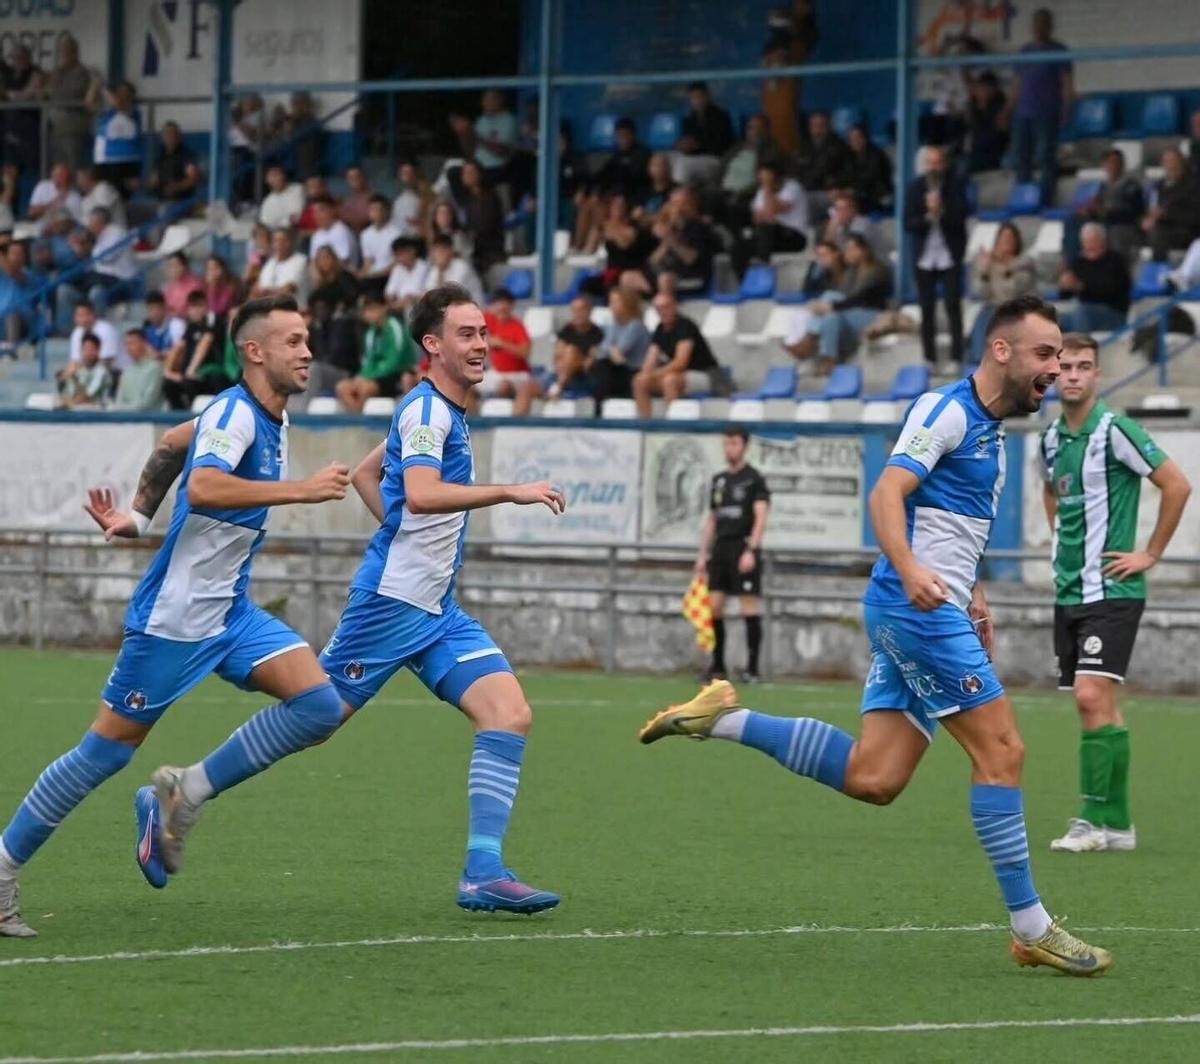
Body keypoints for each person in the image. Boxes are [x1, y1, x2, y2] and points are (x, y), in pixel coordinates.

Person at [641, 295, 1114, 977]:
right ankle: (1030, 927)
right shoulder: (946, 410)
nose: (1057, 368)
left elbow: (950, 527)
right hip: (914, 608)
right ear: (1001, 351)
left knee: (876, 777)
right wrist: (916, 570)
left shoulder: (991, 431)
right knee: (1003, 752)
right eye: (1045, 355)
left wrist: (973, 594)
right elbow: (887, 495)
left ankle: (724, 718)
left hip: (929, 606)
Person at [0, 296, 353, 938]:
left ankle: (185, 790)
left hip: (232, 616)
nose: (307, 352)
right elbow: (206, 486)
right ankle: (1, 868)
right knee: (102, 754)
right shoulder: (235, 413)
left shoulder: (261, 416)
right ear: (255, 352)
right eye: (294, 341)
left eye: (308, 339)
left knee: (320, 706)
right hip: (175, 622)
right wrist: (300, 490)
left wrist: (136, 515)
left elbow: (170, 445)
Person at [315, 284, 566, 913]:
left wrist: (402, 535)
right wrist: (510, 492)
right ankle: (185, 790)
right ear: (433, 345)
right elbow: (422, 494)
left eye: (484, 333)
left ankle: (483, 872)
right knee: (312, 719)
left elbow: (367, 475)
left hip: (434, 609)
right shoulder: (428, 414)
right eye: (467, 334)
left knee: (508, 712)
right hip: (391, 604)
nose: (482, 345)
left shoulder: (437, 411)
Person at [1038, 333, 1191, 853]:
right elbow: (1048, 489)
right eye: (1067, 367)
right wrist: (1058, 540)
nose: (1075, 375)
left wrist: (1149, 554)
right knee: (1101, 706)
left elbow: (1177, 484)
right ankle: (1119, 826)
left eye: (1084, 366)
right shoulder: (1051, 439)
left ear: (1097, 375)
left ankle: (1089, 820)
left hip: (1113, 588)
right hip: (1069, 590)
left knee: (1089, 696)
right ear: (1053, 374)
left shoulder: (1115, 430)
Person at [693, 428, 770, 683]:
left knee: (749, 607)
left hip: (743, 547)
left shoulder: (754, 479)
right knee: (714, 607)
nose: (729, 449)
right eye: (726, 444)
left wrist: (752, 550)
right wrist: (703, 553)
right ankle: (717, 667)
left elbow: (761, 518)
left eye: (734, 444)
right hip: (721, 549)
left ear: (745, 446)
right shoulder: (719, 480)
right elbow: (712, 519)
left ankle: (752, 668)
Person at [783, 234, 890, 371]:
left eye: (852, 249)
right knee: (831, 313)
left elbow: (860, 297)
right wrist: (829, 306)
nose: (848, 253)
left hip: (872, 314)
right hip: (852, 312)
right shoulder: (852, 272)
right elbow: (842, 295)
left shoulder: (876, 270)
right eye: (846, 250)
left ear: (863, 250)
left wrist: (831, 306)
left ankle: (809, 341)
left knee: (830, 303)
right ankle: (829, 358)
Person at [905, 145, 968, 367]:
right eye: (931, 162)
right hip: (925, 256)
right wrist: (927, 216)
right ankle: (929, 357)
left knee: (952, 304)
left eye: (938, 162)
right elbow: (908, 222)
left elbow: (961, 216)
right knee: (926, 307)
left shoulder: (954, 186)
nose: (934, 166)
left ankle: (956, 356)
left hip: (949, 253)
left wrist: (942, 211)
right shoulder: (915, 188)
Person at [1006, 8, 1073, 209]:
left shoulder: (1059, 50)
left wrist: (1067, 107)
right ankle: (1023, 198)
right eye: (1036, 23)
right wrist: (1007, 110)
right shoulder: (1025, 52)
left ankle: (1045, 199)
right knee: (1020, 157)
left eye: (1044, 23)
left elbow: (1067, 83)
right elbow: (1016, 85)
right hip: (1023, 113)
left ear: (1050, 26)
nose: (1039, 28)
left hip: (1047, 112)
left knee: (1045, 157)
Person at [633, 292, 726, 416]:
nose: (663, 311)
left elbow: (680, 363)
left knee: (670, 381)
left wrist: (654, 374)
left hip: (704, 373)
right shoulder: (659, 329)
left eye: (666, 307)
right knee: (639, 381)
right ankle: (645, 424)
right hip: (678, 374)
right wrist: (646, 374)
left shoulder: (686, 326)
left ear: (675, 306)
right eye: (659, 308)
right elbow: (651, 357)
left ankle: (673, 424)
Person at [335, 293, 418, 412]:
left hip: (396, 374)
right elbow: (369, 361)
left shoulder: (394, 327)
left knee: (365, 388)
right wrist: (362, 376)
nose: (368, 314)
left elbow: (393, 361)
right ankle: (355, 418)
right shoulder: (371, 333)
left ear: (384, 308)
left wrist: (368, 377)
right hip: (376, 376)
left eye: (372, 309)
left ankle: (359, 418)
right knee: (342, 387)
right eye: (366, 311)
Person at [969, 222, 1037, 362]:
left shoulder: (1024, 263)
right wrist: (986, 272)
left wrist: (1007, 267)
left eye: (1010, 238)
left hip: (1018, 309)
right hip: (993, 308)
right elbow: (982, 293)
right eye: (1003, 238)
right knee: (982, 319)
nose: (1006, 242)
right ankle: (977, 362)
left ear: (1016, 242)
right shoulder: (989, 263)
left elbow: (1015, 290)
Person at [1069, 148, 1145, 263]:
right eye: (1109, 163)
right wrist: (1089, 210)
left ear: (1122, 165)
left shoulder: (1131, 186)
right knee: (1074, 220)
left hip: (1123, 225)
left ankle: (1117, 269)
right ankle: (1073, 265)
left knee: (1115, 231)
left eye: (1115, 163)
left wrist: (1105, 212)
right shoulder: (1103, 187)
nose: (1112, 166)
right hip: (1104, 222)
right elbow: (1097, 208)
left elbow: (1133, 212)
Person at [1058, 223, 1130, 334]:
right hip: (1081, 313)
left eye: (1092, 240)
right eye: (1085, 241)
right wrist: (1065, 285)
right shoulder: (1079, 262)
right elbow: (1065, 295)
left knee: (1083, 311)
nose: (1088, 245)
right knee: (1051, 319)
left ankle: (1083, 349)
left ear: (1102, 240)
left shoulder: (1115, 260)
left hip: (1113, 313)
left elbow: (1112, 290)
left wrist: (1082, 286)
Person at [589, 285, 650, 414]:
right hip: (616, 368)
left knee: (602, 367)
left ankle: (598, 411)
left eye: (615, 302)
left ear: (626, 304)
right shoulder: (614, 325)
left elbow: (621, 350)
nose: (611, 306)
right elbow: (604, 351)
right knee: (599, 365)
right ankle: (597, 407)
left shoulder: (636, 326)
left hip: (632, 372)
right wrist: (609, 350)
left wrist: (607, 350)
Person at [740, 160, 809, 271]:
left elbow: (772, 211)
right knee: (740, 245)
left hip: (794, 236)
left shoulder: (792, 187)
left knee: (766, 227)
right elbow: (757, 218)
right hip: (770, 234)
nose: (762, 178)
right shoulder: (761, 191)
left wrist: (768, 187)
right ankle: (744, 280)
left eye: (765, 175)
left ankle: (763, 264)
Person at [162, 290, 226, 409]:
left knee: (191, 383)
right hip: (193, 373)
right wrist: (167, 370)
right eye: (192, 307)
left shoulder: (213, 319)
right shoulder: (191, 325)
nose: (196, 311)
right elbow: (178, 347)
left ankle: (196, 418)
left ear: (206, 306)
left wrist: (191, 370)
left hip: (212, 370)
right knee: (168, 385)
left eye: (199, 306)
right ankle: (178, 418)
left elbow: (205, 342)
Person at [44, 35, 97, 173]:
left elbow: (72, 94)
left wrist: (55, 87)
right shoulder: (58, 72)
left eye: (68, 51)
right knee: (58, 167)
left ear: (75, 52)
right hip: (57, 129)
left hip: (74, 129)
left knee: (72, 168)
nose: (65, 55)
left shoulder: (82, 72)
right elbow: (47, 92)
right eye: (63, 52)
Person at [1143, 148, 1200, 263]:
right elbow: (1151, 209)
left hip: (1187, 229)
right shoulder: (1159, 185)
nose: (1171, 166)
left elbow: (1196, 215)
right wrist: (1147, 219)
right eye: (1167, 162)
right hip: (1161, 227)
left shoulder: (1194, 184)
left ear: (1182, 163)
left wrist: (1165, 214)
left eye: (1174, 161)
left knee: (1158, 235)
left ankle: (1158, 270)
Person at [675, 81, 735, 187]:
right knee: (667, 159)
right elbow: (686, 140)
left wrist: (698, 146)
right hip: (694, 158)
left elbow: (723, 146)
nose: (697, 101)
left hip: (715, 159)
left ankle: (681, 197)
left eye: (700, 96)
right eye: (693, 98)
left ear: (707, 96)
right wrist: (683, 146)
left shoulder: (720, 117)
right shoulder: (689, 118)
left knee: (683, 166)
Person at [477, 287, 532, 401]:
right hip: (495, 373)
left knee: (504, 387)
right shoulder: (490, 319)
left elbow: (525, 352)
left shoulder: (517, 326)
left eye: (505, 303)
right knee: (466, 386)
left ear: (511, 306)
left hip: (517, 374)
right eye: (497, 303)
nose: (501, 307)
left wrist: (502, 344)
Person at [91, 80, 143, 196]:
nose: (121, 94)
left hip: (128, 159)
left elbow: (119, 103)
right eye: (119, 91)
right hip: (106, 159)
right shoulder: (107, 112)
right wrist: (95, 85)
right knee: (103, 193)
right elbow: (90, 102)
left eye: (124, 92)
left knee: (124, 194)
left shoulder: (133, 111)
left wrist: (105, 88)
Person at [460, 161, 505, 280]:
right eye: (464, 173)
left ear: (479, 174)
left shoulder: (490, 197)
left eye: (470, 172)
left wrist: (472, 234)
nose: (466, 176)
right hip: (474, 249)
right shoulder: (469, 199)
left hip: (490, 250)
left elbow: (487, 225)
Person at [357, 195, 402, 299]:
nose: (375, 213)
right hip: (372, 277)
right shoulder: (365, 234)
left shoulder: (396, 233)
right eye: (372, 209)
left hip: (388, 275)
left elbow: (397, 262)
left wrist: (378, 273)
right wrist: (361, 273)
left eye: (378, 209)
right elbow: (368, 261)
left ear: (386, 212)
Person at [966, 72, 1009, 175]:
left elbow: (998, 134)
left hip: (995, 154)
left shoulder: (1000, 108)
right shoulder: (973, 106)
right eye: (981, 88)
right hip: (976, 153)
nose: (982, 92)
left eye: (986, 88)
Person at [112, 328, 165, 411]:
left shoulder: (155, 368)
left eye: (132, 343)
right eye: (127, 344)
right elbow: (119, 400)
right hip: (126, 418)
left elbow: (147, 403)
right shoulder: (127, 371)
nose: (129, 348)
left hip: (150, 420)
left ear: (144, 344)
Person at [55, 333, 111, 409]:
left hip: (97, 414)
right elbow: (67, 396)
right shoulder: (80, 370)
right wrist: (64, 377)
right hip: (77, 412)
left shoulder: (102, 372)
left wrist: (74, 378)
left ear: (98, 350)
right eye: (85, 349)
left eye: (91, 349)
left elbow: (87, 398)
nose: (88, 353)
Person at [845, 124, 893, 213]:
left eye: (857, 138)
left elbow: (871, 176)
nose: (854, 141)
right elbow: (847, 174)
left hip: (876, 193)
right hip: (858, 193)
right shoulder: (849, 155)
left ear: (865, 138)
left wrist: (854, 189)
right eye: (851, 139)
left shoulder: (876, 154)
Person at [252, 228, 309, 303]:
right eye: (275, 241)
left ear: (289, 242)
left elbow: (289, 290)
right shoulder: (269, 263)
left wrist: (266, 293)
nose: (277, 244)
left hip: (294, 310)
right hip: (269, 309)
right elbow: (257, 291)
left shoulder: (301, 260)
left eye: (281, 240)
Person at [423, 234, 484, 304]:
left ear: (451, 251)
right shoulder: (435, 269)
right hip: (454, 309)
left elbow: (449, 297)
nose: (439, 254)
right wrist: (440, 271)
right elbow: (427, 294)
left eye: (442, 250)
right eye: (436, 251)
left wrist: (440, 271)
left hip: (474, 308)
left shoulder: (462, 267)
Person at [149, 121, 200, 204]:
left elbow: (193, 179)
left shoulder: (186, 156)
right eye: (166, 134)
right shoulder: (159, 158)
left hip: (182, 202)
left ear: (179, 136)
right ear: (162, 137)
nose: (170, 137)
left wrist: (177, 187)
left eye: (173, 134)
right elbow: (154, 181)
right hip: (162, 201)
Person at [28, 162, 82, 229]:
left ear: (68, 178)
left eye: (61, 175)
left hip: (64, 235)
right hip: (41, 231)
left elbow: (76, 222)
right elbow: (32, 213)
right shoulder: (42, 186)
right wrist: (53, 203)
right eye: (55, 174)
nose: (56, 178)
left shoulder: (75, 197)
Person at [308, 245, 360, 314]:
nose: (324, 261)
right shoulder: (322, 283)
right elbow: (313, 301)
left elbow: (353, 295)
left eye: (327, 257)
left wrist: (341, 305)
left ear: (334, 258)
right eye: (320, 259)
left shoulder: (343, 276)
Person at [309, 196, 359, 267]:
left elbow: (343, 262)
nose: (317, 215)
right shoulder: (316, 235)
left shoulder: (342, 231)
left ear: (332, 210)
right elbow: (313, 262)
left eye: (321, 210)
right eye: (315, 211)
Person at [384, 236, 430, 315]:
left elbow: (425, 292)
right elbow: (389, 293)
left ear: (412, 251)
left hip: (419, 306)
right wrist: (394, 303)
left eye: (400, 254)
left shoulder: (424, 267)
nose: (398, 258)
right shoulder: (397, 269)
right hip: (398, 306)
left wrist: (409, 300)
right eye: (396, 255)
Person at [392, 160, 434, 238]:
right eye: (404, 173)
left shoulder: (428, 193)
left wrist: (422, 221)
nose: (408, 176)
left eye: (410, 173)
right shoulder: (400, 199)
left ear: (416, 174)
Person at [258, 165, 304, 230]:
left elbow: (295, 218)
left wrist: (279, 224)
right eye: (272, 175)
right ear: (267, 180)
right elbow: (265, 224)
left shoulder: (298, 189)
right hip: (276, 235)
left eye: (278, 174)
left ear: (284, 175)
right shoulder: (267, 201)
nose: (276, 178)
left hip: (296, 231)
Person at [142, 290, 186, 356]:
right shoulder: (147, 330)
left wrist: (159, 355)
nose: (154, 313)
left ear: (164, 308)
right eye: (150, 309)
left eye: (156, 309)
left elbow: (181, 352)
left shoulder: (176, 324)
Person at [163, 252, 204, 318]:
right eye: (171, 266)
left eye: (176, 265)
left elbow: (198, 310)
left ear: (184, 266)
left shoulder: (195, 284)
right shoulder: (170, 287)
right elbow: (166, 308)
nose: (173, 269)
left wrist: (178, 314)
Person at [339, 166, 373, 232]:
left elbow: (361, 222)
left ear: (364, 178)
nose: (354, 180)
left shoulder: (374, 198)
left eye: (357, 176)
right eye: (350, 178)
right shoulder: (348, 200)